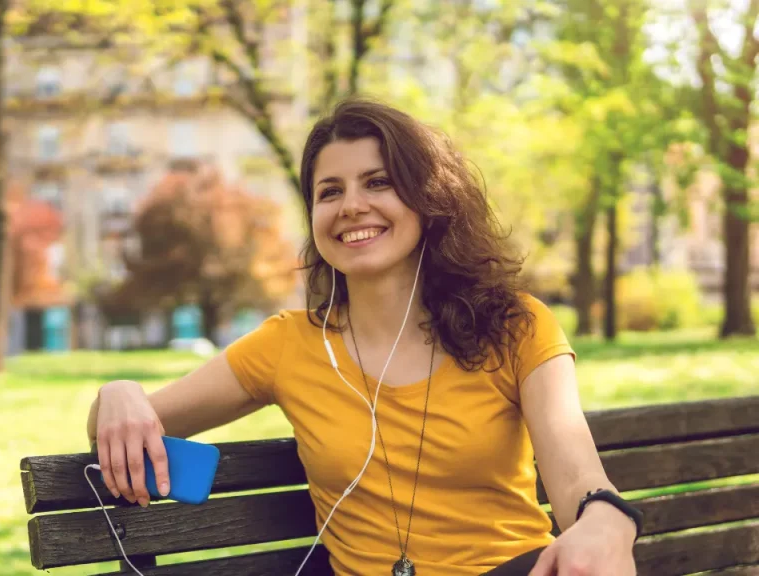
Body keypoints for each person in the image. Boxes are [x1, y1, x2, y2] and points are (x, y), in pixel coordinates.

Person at [86, 98, 641, 576]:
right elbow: (121, 428)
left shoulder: (516, 325)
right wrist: (118, 393)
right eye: (330, 191)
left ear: (430, 200)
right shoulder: (288, 346)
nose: (351, 204)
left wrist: (603, 518)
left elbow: (575, 474)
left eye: (378, 182)